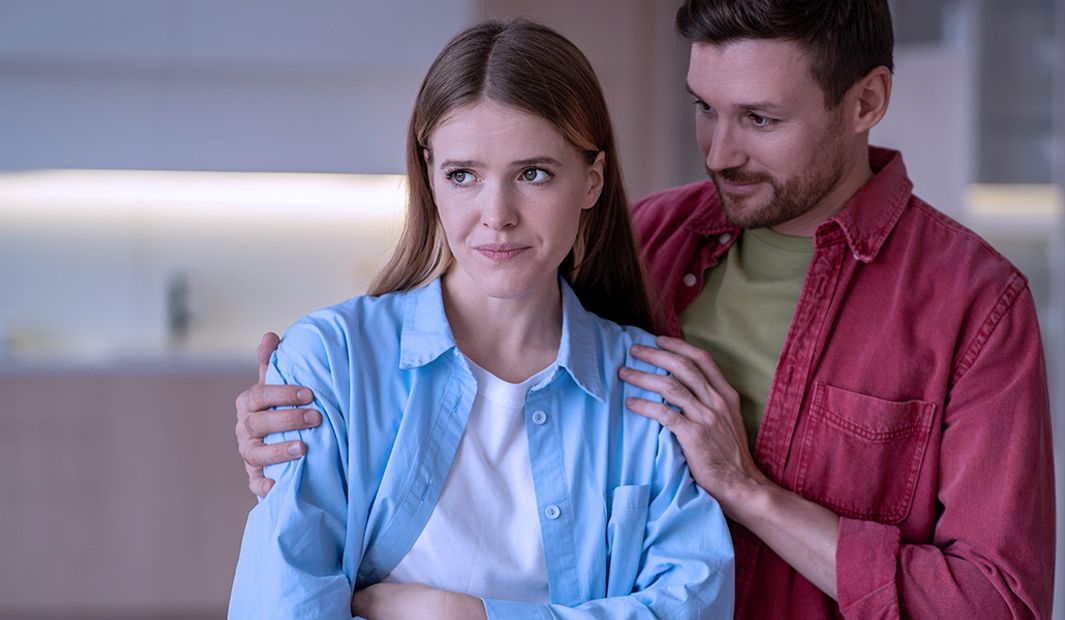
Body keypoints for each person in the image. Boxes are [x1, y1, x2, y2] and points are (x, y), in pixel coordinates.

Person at [236, 1, 1055, 618]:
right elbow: (491, 349)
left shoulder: (973, 307)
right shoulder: (649, 239)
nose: (720, 151)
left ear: (867, 100)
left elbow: (998, 602)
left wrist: (748, 491)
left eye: (760, 119)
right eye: (705, 107)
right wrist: (306, 430)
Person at [228, 19, 734, 620]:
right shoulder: (330, 362)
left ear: (591, 181)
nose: (497, 216)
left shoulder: (649, 387)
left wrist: (463, 614)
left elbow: (692, 607)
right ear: (431, 178)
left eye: (533, 174)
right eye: (463, 174)